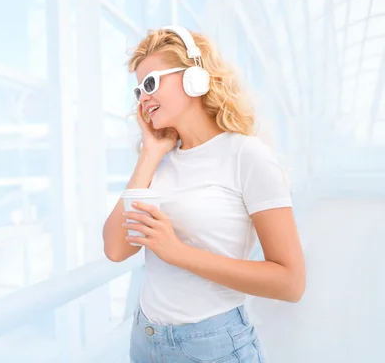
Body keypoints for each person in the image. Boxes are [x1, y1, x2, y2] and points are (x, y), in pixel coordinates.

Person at [102, 25, 306, 362]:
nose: (143, 97)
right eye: (138, 90)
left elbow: (291, 282)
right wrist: (149, 155)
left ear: (194, 77)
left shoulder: (247, 155)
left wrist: (177, 252)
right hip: (145, 339)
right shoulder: (160, 160)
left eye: (151, 83)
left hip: (211, 347)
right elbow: (115, 248)